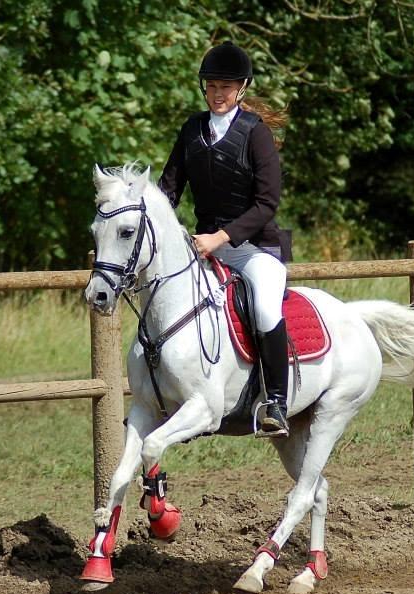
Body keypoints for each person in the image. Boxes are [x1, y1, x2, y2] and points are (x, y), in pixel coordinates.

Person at [159, 41, 292, 438]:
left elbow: (267, 203)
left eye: (227, 88)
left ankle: (276, 403)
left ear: (242, 89)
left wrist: (221, 237)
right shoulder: (191, 130)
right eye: (213, 86)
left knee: (266, 307)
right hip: (202, 247)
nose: (219, 94)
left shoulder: (257, 135)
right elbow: (168, 188)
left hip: (254, 249)